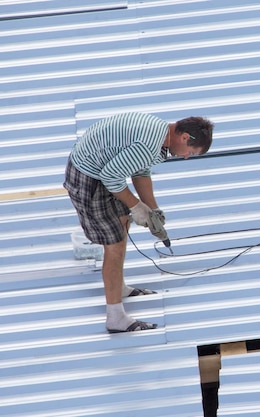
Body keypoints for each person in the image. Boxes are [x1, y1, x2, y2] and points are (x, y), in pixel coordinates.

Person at [63, 112, 214, 333]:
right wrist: (136, 206)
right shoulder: (149, 144)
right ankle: (115, 318)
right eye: (190, 152)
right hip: (89, 178)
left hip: (102, 171)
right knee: (113, 246)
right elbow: (111, 177)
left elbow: (140, 171)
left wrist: (153, 209)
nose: (186, 157)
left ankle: (119, 287)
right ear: (185, 137)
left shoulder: (160, 133)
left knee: (123, 223)